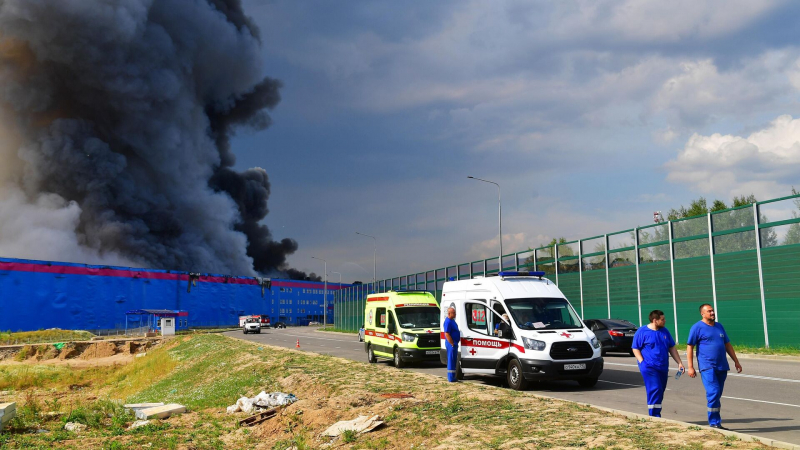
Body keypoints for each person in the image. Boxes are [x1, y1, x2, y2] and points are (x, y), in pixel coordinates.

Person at [686, 303, 742, 429]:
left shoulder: (719, 326)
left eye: (713, 311)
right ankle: (714, 422)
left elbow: (727, 345)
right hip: (707, 366)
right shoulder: (697, 327)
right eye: (709, 311)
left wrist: (736, 361)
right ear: (702, 314)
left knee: (717, 394)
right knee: (713, 391)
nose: (712, 313)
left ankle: (716, 421)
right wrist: (690, 366)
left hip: (722, 366)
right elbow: (690, 347)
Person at [632, 310, 685, 417]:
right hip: (649, 367)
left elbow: (672, 348)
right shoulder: (642, 331)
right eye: (662, 319)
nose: (665, 321)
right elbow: (635, 348)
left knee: (660, 390)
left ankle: (656, 413)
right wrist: (642, 362)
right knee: (655, 388)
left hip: (663, 367)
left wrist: (679, 363)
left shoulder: (664, 331)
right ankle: (654, 416)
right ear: (655, 320)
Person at [443, 306, 461, 382]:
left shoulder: (452, 321)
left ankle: (453, 376)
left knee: (454, 360)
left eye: (455, 312)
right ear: (449, 313)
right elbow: (447, 334)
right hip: (451, 344)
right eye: (453, 313)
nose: (455, 314)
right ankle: (451, 377)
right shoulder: (448, 321)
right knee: (451, 359)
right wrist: (452, 343)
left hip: (454, 343)